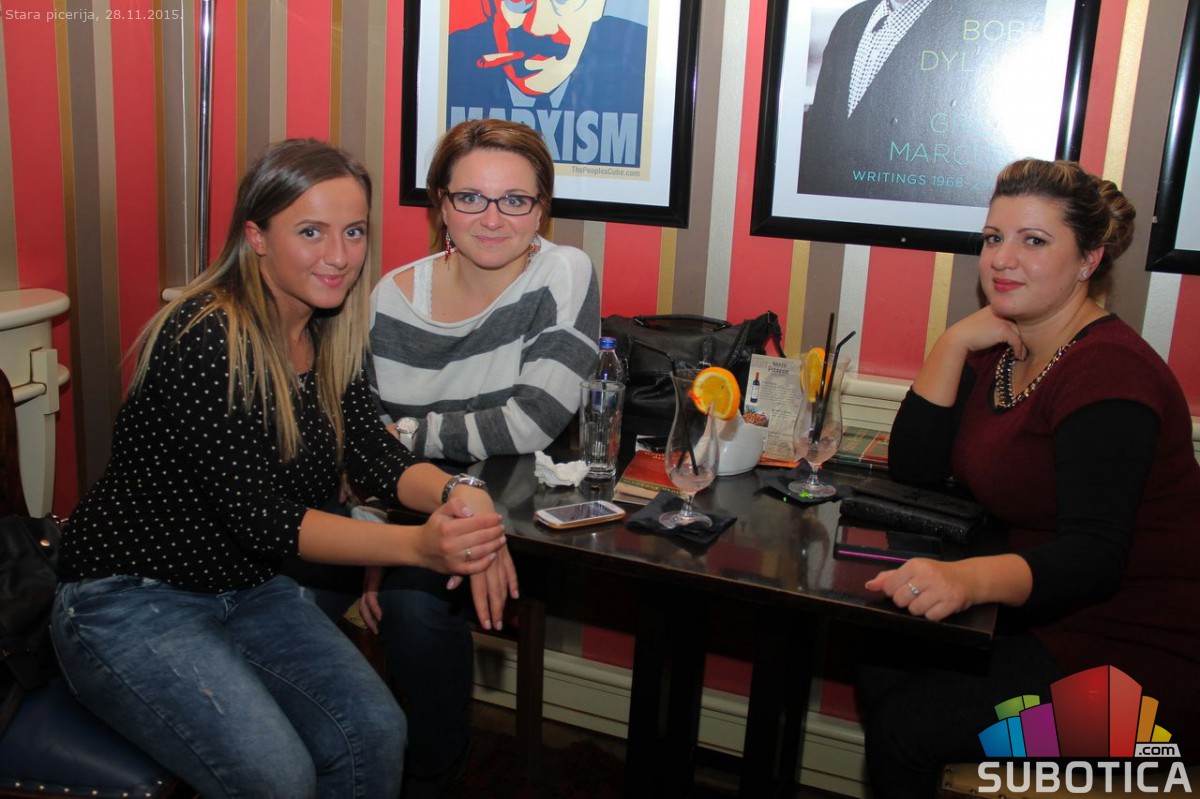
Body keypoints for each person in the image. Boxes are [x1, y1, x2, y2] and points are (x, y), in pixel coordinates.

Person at [50, 139, 509, 799]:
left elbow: (374, 452)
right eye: (311, 232)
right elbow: (264, 519)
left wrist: (462, 493)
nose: (339, 256)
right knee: (279, 777)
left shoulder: (326, 330)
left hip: (248, 588)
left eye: (354, 232)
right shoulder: (206, 335)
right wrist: (420, 546)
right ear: (257, 237)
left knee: (376, 732)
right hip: (127, 598)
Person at [858, 158, 1200, 796]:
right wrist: (954, 341)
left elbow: (1095, 556)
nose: (1002, 259)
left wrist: (969, 580)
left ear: (1089, 259)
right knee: (882, 664)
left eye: (1034, 241)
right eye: (994, 238)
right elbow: (916, 471)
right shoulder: (1010, 349)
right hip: (1053, 623)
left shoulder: (1109, 375)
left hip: (1144, 662)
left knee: (910, 725)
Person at [362, 117, 599, 796]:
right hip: (402, 506)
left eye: (515, 199)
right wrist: (377, 544)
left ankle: (431, 776)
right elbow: (365, 448)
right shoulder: (390, 297)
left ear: (541, 208)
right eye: (470, 197)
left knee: (412, 609)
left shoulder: (562, 272)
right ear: (440, 204)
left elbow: (531, 421)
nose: (493, 219)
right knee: (281, 588)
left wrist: (408, 434)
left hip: (512, 507)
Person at [797, 0, 1050, 206]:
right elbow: (821, 125)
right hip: (833, 210)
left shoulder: (970, 21)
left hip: (903, 208)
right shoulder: (851, 19)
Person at [446, 0, 648, 168]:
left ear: (597, 5)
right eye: (517, 1)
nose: (538, 28)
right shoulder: (450, 57)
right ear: (490, 5)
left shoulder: (642, 56)